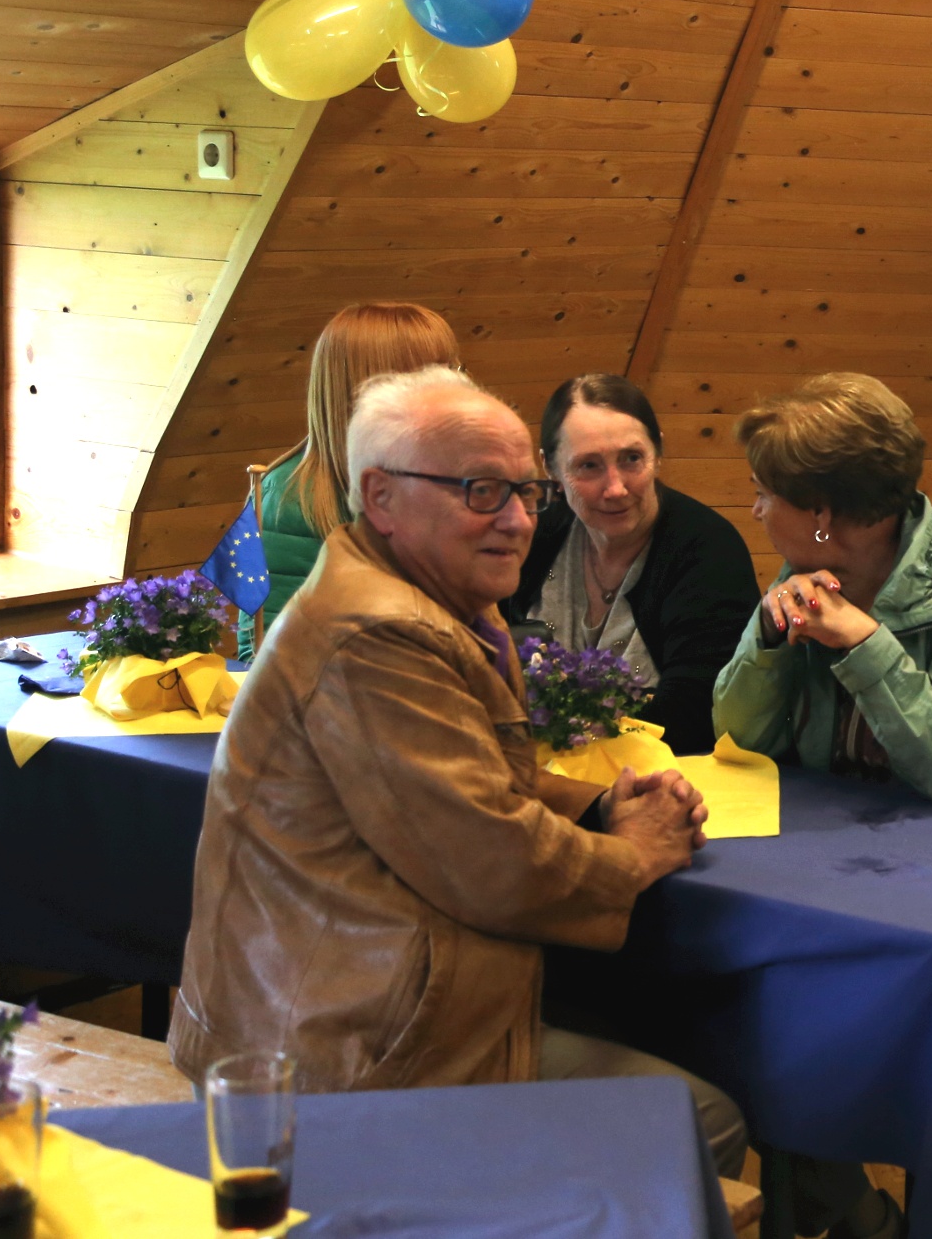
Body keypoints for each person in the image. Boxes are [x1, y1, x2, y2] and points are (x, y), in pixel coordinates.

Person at [168, 365, 747, 1179]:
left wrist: (597, 805)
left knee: (675, 1030)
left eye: (523, 492)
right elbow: (496, 865)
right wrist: (636, 852)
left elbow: (463, 780)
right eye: (480, 491)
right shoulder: (375, 635)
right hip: (345, 1053)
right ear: (381, 497)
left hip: (368, 1004)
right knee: (702, 1120)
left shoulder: (413, 596)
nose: (515, 520)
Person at [713, 372, 932, 813]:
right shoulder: (804, 574)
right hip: (848, 826)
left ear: (820, 513)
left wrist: (864, 643)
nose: (755, 510)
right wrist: (768, 635)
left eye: (763, 494)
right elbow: (738, 743)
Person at [502, 374, 758, 755]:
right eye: (588, 466)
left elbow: (698, 715)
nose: (616, 487)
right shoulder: (533, 532)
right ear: (551, 469)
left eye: (632, 459)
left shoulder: (707, 549)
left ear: (659, 453)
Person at [238, 302, 456, 660]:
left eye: (454, 369)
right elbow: (267, 656)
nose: (458, 388)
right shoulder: (287, 499)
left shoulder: (442, 477)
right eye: (437, 375)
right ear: (376, 386)